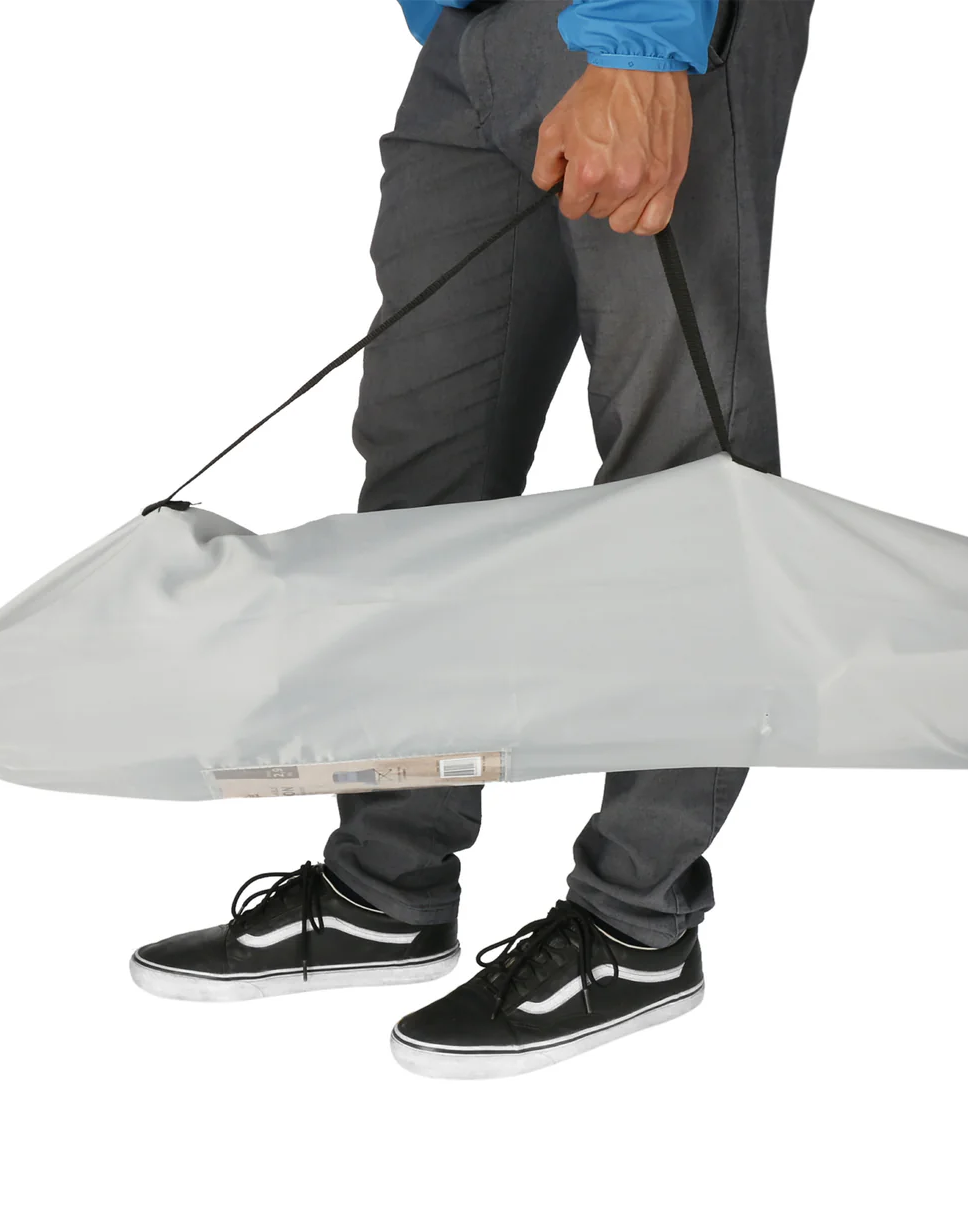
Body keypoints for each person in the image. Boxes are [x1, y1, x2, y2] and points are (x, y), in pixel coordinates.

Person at [130, 0, 814, 1078]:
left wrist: (641, 36)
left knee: (680, 475)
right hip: (473, 27)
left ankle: (635, 923)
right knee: (425, 457)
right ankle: (386, 882)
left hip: (637, 23)